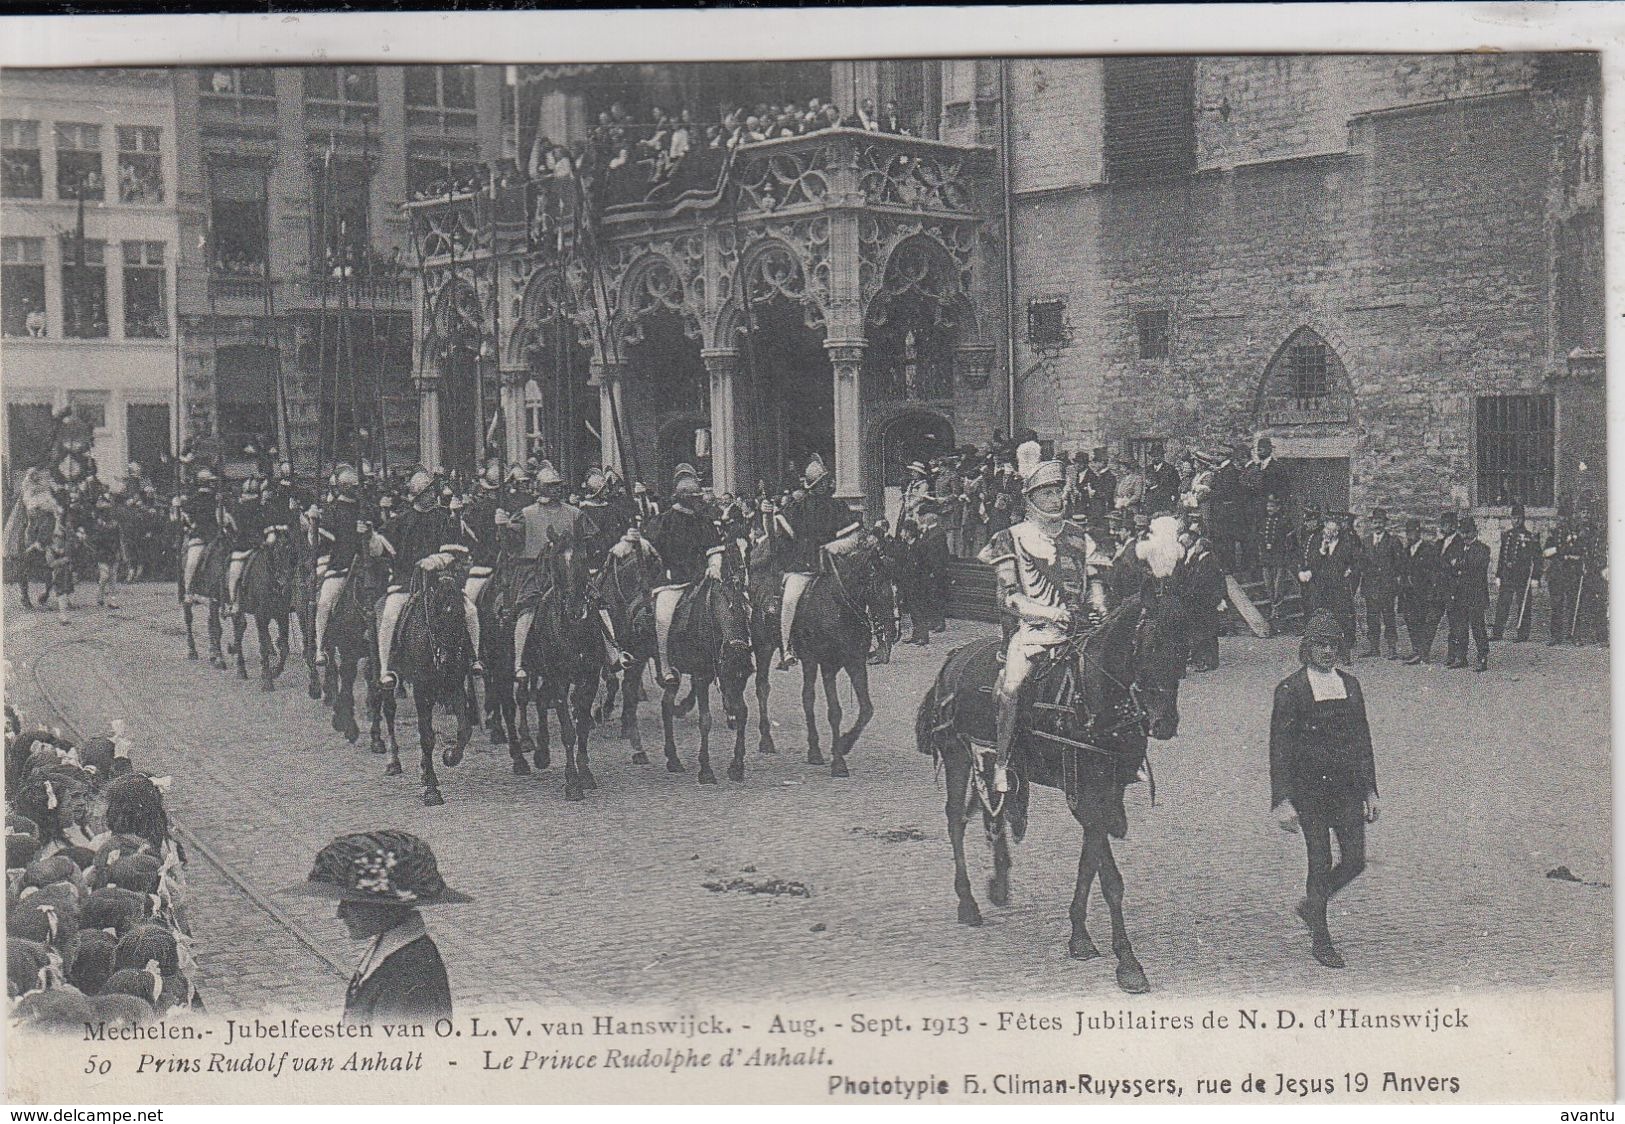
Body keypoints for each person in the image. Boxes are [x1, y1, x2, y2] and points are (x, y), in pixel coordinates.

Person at [978, 458, 1114, 795]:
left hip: (1080, 631)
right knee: (1011, 689)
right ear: (1031, 498)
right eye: (1048, 493)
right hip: (1034, 633)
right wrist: (1048, 614)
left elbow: (1095, 581)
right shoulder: (1010, 537)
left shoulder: (1080, 537)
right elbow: (1009, 598)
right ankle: (1002, 763)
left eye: (1059, 492)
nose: (1057, 499)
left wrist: (1100, 605)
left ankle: (1124, 754)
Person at [1269, 609, 1379, 970]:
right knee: (1319, 862)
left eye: (1333, 645)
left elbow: (1362, 739)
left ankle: (1310, 907)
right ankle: (1321, 938)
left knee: (1354, 861)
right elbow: (1280, 747)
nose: (1328, 652)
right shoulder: (1291, 689)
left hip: (1346, 789)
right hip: (1309, 792)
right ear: (1307, 648)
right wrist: (1283, 800)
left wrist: (1370, 791)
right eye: (1320, 645)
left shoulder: (1350, 685)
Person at [283, 831, 467, 1024]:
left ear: (386, 904)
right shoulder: (391, 952)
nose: (340, 914)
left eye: (352, 903)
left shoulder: (409, 975)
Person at [376, 469, 478, 689]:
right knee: (390, 615)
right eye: (430, 490)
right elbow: (381, 549)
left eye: (434, 490)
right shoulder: (401, 520)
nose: (435, 494)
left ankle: (474, 657)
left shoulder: (444, 518)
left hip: (439, 581)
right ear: (420, 494)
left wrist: (438, 560)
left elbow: (456, 550)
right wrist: (369, 536)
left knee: (470, 610)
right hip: (407, 581)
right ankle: (387, 668)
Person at [501, 461, 581, 683]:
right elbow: (512, 545)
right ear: (542, 488)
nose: (556, 489)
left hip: (566, 568)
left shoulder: (574, 513)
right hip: (534, 571)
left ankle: (611, 653)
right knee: (528, 608)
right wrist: (503, 527)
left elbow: (586, 541)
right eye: (551, 485)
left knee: (596, 601)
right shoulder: (526, 514)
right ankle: (519, 661)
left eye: (558, 485)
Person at [646, 464, 723, 685]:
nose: (698, 501)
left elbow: (714, 549)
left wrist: (715, 565)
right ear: (682, 498)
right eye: (694, 497)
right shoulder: (663, 521)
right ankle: (665, 665)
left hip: (702, 579)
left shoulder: (704, 521)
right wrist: (637, 540)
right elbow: (649, 549)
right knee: (663, 617)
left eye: (698, 497)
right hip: (673, 581)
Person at [776, 454, 849, 669]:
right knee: (790, 599)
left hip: (832, 563)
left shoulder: (837, 507)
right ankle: (787, 646)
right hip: (803, 567)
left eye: (826, 482)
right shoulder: (797, 508)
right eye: (821, 483)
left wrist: (837, 547)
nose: (825, 486)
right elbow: (783, 537)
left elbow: (848, 534)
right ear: (812, 486)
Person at [311, 464, 367, 666]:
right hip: (341, 566)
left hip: (366, 566)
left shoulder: (364, 507)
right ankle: (320, 647)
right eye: (354, 487)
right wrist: (314, 524)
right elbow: (321, 543)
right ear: (345, 487)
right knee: (325, 602)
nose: (358, 490)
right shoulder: (332, 511)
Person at [1299, 514, 1357, 649]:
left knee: (1342, 615)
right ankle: (1325, 642)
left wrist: (1350, 572)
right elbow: (1313, 563)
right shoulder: (1318, 542)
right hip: (1323, 586)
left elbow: (1355, 562)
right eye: (1326, 530)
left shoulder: (1347, 543)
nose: (1327, 534)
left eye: (1331, 531)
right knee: (1323, 613)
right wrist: (1322, 550)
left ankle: (1345, 646)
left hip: (1340, 585)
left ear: (1337, 532)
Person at [1446, 515, 1491, 671]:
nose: (1465, 536)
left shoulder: (1483, 549)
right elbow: (1448, 564)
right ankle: (1461, 656)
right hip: (1460, 595)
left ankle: (1482, 657)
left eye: (1468, 532)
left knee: (1478, 628)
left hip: (1476, 595)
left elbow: (1473, 566)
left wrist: (1457, 564)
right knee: (1460, 628)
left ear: (1475, 532)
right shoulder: (1458, 548)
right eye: (1462, 532)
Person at [1492, 503, 1541, 642]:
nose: (1516, 521)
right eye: (1514, 518)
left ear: (1523, 519)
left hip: (1522, 576)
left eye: (1519, 518)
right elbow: (1502, 556)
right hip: (1507, 575)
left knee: (1523, 604)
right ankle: (1497, 633)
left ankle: (1522, 634)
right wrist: (1498, 575)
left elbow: (1537, 558)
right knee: (1503, 603)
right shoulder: (1507, 535)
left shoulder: (1530, 537)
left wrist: (1535, 577)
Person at [1360, 508, 1405, 659]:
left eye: (1380, 522)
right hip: (1370, 586)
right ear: (1371, 523)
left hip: (1387, 587)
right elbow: (1361, 564)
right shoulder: (1365, 542)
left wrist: (1394, 583)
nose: (1377, 525)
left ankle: (1392, 648)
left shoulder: (1393, 542)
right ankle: (1374, 648)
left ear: (1385, 524)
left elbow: (1399, 565)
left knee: (1388, 617)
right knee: (1372, 617)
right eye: (1375, 522)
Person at [1181, 526, 1225, 672]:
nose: (1195, 547)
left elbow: (1211, 583)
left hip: (1205, 602)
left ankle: (1209, 662)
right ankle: (1203, 660)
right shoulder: (1198, 559)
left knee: (1208, 634)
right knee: (1202, 633)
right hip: (1198, 602)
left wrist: (1214, 600)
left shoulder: (1210, 562)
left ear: (1203, 547)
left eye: (1198, 545)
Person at [1399, 517, 1438, 663]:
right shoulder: (1406, 550)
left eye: (1412, 533)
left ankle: (1423, 653)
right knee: (1411, 621)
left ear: (1419, 533)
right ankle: (1416, 650)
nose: (1410, 536)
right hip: (1409, 593)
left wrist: (1430, 590)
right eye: (1407, 533)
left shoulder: (1428, 549)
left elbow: (1433, 571)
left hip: (1423, 592)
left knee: (1423, 622)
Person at [1256, 493, 1297, 632]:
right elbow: (1260, 538)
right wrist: (1262, 551)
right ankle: (1273, 606)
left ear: (1278, 507)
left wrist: (1287, 556)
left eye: (1272, 506)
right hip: (1267, 558)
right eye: (1268, 505)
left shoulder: (1284, 522)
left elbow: (1290, 542)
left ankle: (1277, 610)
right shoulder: (1263, 521)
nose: (1269, 508)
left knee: (1278, 585)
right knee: (1268, 584)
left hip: (1279, 557)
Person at [1143, 441, 1181, 518]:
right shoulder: (1147, 469)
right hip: (1150, 505)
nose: (1155, 457)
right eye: (1153, 455)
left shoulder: (1170, 469)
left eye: (1158, 455)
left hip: (1164, 504)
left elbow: (1175, 487)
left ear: (1162, 456)